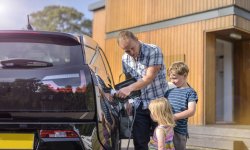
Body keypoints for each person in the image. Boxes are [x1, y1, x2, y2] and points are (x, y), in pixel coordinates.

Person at [116, 30, 168, 150]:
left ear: (137, 39)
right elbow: (129, 80)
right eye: (127, 51)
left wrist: (129, 89)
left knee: (161, 143)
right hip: (139, 104)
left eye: (132, 48)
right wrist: (128, 100)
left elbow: (149, 78)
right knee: (139, 143)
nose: (131, 52)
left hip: (158, 104)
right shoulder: (125, 59)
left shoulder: (154, 50)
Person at [164, 61, 198, 150]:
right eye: (170, 78)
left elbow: (191, 111)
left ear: (185, 75)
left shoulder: (190, 92)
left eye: (175, 78)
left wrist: (173, 117)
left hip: (179, 131)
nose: (172, 81)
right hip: (166, 129)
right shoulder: (169, 92)